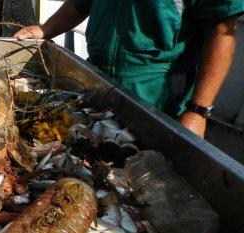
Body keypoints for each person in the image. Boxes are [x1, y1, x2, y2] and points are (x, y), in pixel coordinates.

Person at [14, 0, 244, 138]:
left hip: (156, 91)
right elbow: (79, 4)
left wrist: (197, 112)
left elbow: (222, 33)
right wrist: (45, 29)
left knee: (145, 171)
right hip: (96, 78)